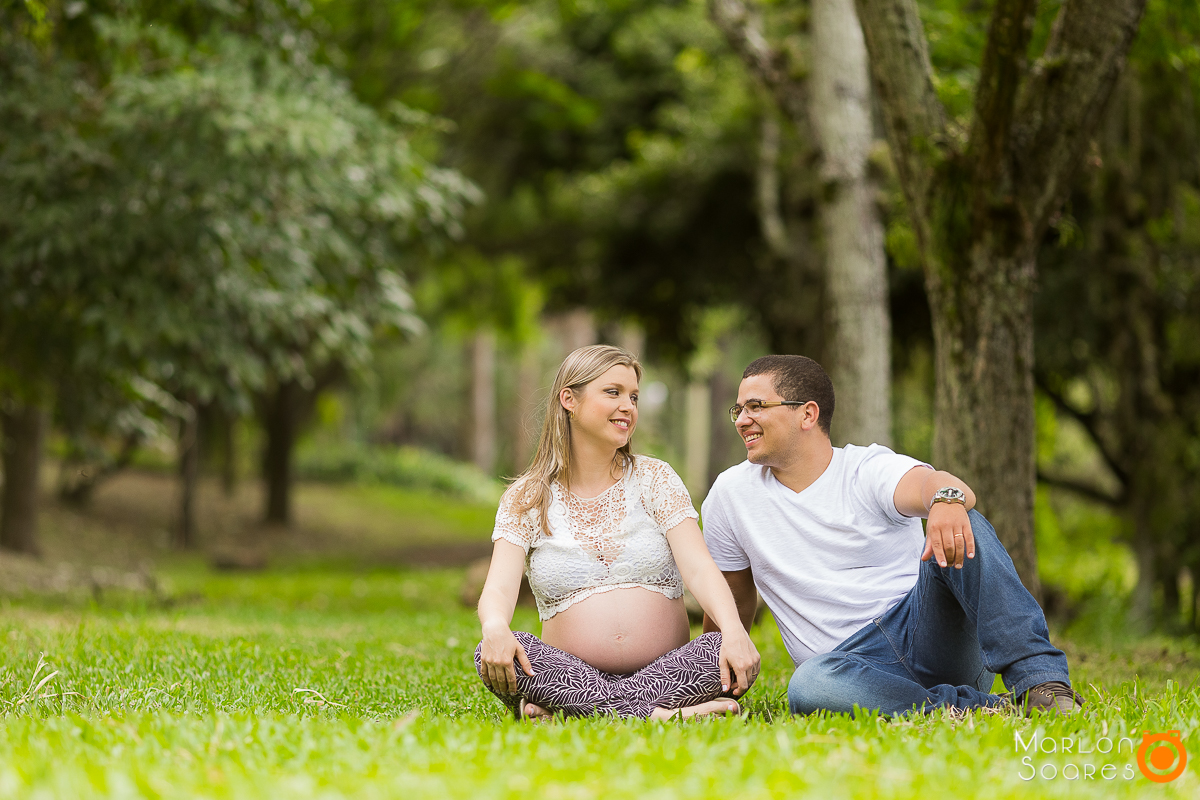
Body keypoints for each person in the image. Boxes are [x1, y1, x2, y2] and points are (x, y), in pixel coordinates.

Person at [701, 355, 1082, 716]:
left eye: (756, 407)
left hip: (926, 631)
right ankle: (979, 709)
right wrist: (710, 681)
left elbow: (936, 484)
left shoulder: (867, 468)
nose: (742, 420)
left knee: (964, 521)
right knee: (808, 685)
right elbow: (731, 596)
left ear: (807, 413)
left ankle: (1042, 685)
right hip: (846, 667)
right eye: (739, 410)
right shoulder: (730, 495)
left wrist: (945, 500)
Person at [475, 345, 760, 720]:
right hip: (570, 675)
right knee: (492, 652)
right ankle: (660, 715)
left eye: (634, 397)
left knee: (716, 649)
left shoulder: (655, 478)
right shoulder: (527, 497)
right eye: (613, 392)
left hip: (670, 672)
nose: (628, 406)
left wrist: (734, 630)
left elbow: (699, 568)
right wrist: (495, 626)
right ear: (569, 400)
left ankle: (577, 713)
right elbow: (498, 588)